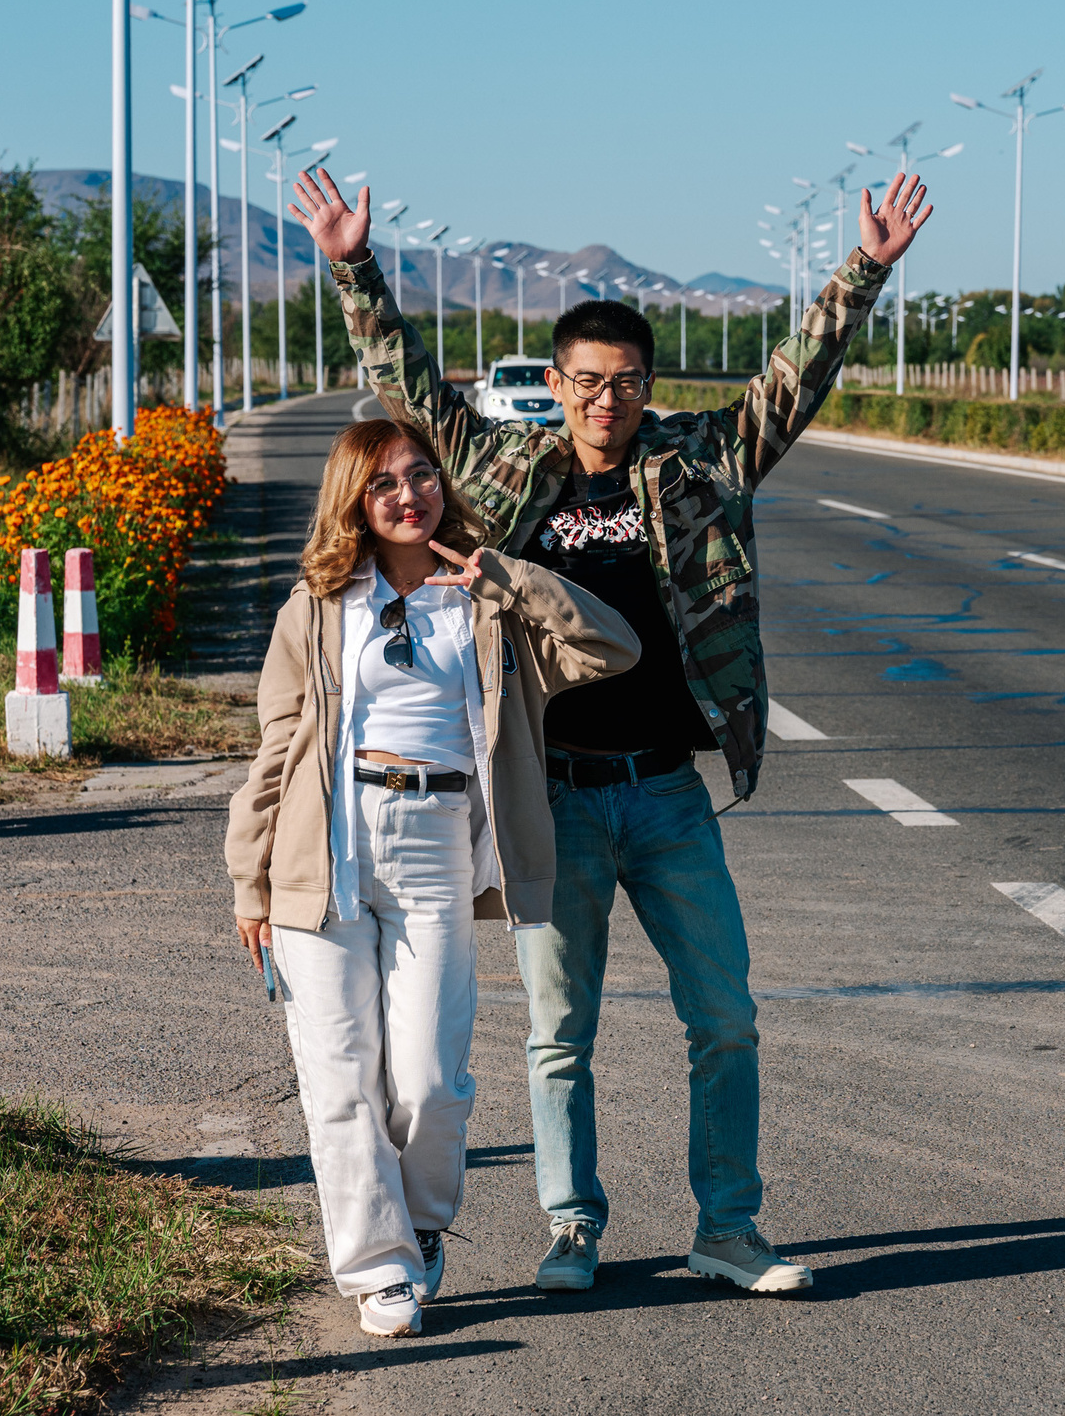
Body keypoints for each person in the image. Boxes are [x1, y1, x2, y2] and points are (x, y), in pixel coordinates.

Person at [289, 166, 932, 1294]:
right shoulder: (503, 470)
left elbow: (795, 379)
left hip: (669, 794)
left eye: (627, 383)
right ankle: (571, 1227)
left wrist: (865, 268)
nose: (607, 401)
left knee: (724, 1018)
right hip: (556, 794)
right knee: (557, 1035)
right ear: (555, 383)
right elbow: (411, 391)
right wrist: (354, 267)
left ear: (648, 385)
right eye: (587, 383)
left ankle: (728, 1227)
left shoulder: (697, 465)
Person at [224, 418, 639, 1337]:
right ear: (355, 504)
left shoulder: (487, 604)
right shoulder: (318, 605)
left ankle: (417, 1224)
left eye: (421, 475)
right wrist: (249, 882)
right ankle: (377, 1269)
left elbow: (615, 646)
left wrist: (512, 577)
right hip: (324, 851)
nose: (408, 495)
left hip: (439, 843)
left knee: (430, 1077)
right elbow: (274, 748)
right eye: (384, 485)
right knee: (338, 1074)